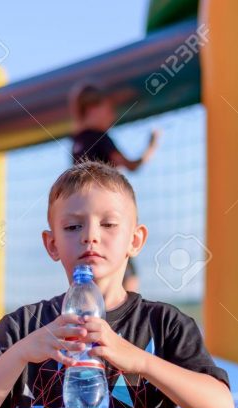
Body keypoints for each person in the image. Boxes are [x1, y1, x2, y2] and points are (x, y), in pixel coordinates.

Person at [0, 161, 233, 408]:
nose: (90, 236)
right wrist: (22, 352)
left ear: (136, 240)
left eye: (109, 224)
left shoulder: (163, 323)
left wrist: (141, 361)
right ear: (52, 244)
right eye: (73, 227)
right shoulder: (25, 326)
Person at [69, 83, 159, 294]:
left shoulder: (77, 138)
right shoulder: (101, 138)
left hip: (82, 212)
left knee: (93, 267)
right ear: (92, 109)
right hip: (106, 212)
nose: (112, 117)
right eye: (109, 111)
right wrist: (152, 145)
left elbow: (76, 101)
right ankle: (122, 316)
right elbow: (131, 165)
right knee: (128, 273)